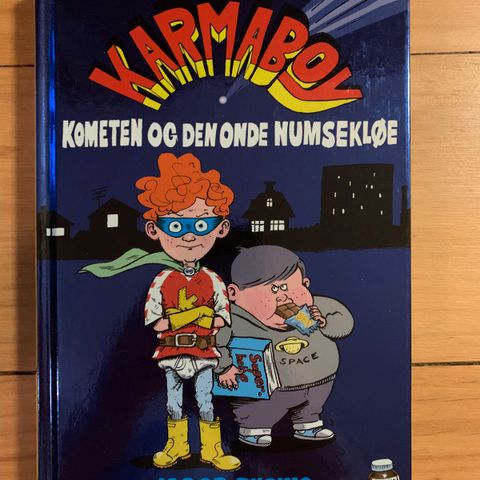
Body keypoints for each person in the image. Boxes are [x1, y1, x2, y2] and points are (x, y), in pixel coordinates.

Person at [139, 153, 240, 471]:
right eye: (175, 225)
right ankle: (176, 447)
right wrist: (194, 316)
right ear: (155, 230)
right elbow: (157, 323)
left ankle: (212, 450)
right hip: (172, 351)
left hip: (204, 352)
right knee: (173, 401)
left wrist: (202, 318)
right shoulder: (162, 280)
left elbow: (221, 318)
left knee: (206, 401)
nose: (189, 236)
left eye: (200, 224)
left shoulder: (213, 280)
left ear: (221, 228)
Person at [216, 245, 354, 447]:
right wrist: (224, 368)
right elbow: (214, 342)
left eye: (288, 287)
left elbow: (344, 323)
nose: (283, 297)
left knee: (311, 403)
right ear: (234, 293)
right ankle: (254, 428)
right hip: (262, 389)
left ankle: (308, 423)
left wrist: (325, 323)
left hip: (317, 380)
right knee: (256, 409)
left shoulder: (318, 308)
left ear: (305, 284)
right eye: (272, 289)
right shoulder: (232, 319)